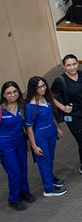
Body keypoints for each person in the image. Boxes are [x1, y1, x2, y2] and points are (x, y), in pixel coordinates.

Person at [51, 54, 82, 179]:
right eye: (68, 65)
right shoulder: (60, 81)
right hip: (74, 116)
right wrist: (62, 107)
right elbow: (50, 96)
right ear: (63, 66)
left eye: (74, 64)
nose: (72, 67)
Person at [24, 77, 66, 197]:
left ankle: (50, 178)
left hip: (50, 133)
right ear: (33, 89)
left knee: (50, 158)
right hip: (40, 137)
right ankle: (48, 188)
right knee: (44, 162)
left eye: (43, 86)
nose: (42, 89)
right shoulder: (30, 107)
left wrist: (57, 128)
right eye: (39, 87)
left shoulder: (45, 98)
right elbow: (29, 128)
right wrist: (34, 146)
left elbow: (51, 115)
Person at [1, 81, 34, 210]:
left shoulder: (23, 106)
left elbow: (28, 125)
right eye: (9, 93)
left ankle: (24, 192)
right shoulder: (0, 110)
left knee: (23, 168)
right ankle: (13, 198)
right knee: (14, 172)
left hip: (20, 141)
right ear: (4, 95)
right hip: (5, 145)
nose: (12, 95)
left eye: (15, 92)